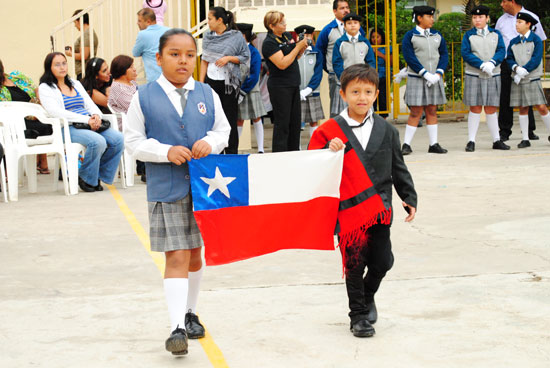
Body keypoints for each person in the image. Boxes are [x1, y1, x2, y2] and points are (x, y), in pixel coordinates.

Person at [125, 28, 230, 356]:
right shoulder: (143, 97)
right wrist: (164, 151)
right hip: (166, 187)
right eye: (174, 54)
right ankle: (176, 327)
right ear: (158, 58)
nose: (182, 61)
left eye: (188, 55)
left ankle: (190, 311)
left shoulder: (207, 94)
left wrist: (210, 142)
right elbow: (132, 142)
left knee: (195, 253)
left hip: (204, 187)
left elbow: (222, 131)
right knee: (176, 255)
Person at [309, 64, 417, 338]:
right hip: (348, 209)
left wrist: (408, 196)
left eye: (368, 92)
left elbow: (398, 166)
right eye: (355, 91)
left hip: (380, 207)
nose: (362, 97)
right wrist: (327, 150)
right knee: (354, 264)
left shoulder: (387, 130)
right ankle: (357, 316)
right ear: (343, 94)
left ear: (376, 94)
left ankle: (368, 296)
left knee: (382, 261)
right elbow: (311, 164)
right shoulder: (330, 130)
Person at [39, 52, 124, 192]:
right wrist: (87, 119)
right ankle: (87, 178)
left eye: (64, 63)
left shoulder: (75, 83)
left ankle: (95, 176)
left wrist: (96, 116)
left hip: (89, 123)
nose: (62, 67)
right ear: (49, 68)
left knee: (118, 139)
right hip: (68, 127)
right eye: (57, 64)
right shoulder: (46, 88)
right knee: (98, 142)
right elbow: (55, 112)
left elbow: (90, 104)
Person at [200, 7, 249, 154]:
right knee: (212, 120)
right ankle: (217, 151)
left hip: (228, 83)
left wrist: (228, 58)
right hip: (211, 82)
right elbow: (204, 60)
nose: (207, 22)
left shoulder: (236, 36)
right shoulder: (207, 37)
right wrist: (202, 83)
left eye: (210, 18)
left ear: (219, 20)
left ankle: (232, 152)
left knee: (229, 120)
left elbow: (245, 57)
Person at [401, 6, 449, 155]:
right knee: (415, 111)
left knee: (432, 109)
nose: (432, 19)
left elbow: (444, 54)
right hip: (417, 77)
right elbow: (410, 57)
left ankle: (433, 144)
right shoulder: (410, 36)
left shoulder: (437, 35)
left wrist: (438, 73)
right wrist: (425, 74)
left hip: (434, 78)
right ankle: (406, 145)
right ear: (420, 18)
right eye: (429, 16)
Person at [496, 0, 546, 142]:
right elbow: (500, 42)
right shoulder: (501, 21)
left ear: (512, 1)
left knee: (527, 97)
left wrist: (528, 66)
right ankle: (505, 130)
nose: (501, 4)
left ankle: (529, 131)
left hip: (528, 63)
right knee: (505, 97)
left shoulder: (532, 17)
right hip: (508, 62)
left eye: (504, 1)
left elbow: (539, 40)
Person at [461, 5, 510, 152]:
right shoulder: (468, 35)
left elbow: (502, 50)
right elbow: (466, 53)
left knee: (491, 107)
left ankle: (496, 140)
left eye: (480, 17)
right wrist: (482, 65)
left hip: (492, 74)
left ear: (487, 18)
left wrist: (492, 63)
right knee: (475, 107)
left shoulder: (496, 34)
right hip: (474, 74)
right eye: (475, 17)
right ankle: (471, 140)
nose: (477, 20)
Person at [262, 10, 308, 152]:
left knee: (295, 123)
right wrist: (297, 48)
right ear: (271, 26)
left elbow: (294, 57)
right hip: (280, 86)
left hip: (293, 83)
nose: (285, 24)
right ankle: (280, 154)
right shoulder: (269, 43)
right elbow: (282, 63)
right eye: (281, 23)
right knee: (283, 123)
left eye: (284, 21)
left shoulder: (287, 36)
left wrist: (301, 49)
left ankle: (293, 151)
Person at [0, 59, 52, 173]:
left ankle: (42, 160)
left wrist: (41, 107)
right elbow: (6, 112)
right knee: (40, 127)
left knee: (50, 124)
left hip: (37, 114)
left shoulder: (17, 76)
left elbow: (36, 90)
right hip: (17, 122)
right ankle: (40, 161)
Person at [506, 12, 550, 147]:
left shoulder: (536, 40)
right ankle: (525, 139)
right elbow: (509, 58)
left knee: (541, 107)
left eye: (520, 22)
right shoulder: (514, 42)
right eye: (516, 22)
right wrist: (515, 68)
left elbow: (536, 59)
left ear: (528, 24)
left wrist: (524, 70)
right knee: (522, 108)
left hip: (532, 78)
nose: (517, 24)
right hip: (518, 78)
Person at [317, 0, 365, 118]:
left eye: (347, 7)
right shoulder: (328, 30)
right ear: (335, 11)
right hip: (336, 76)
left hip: (357, 75)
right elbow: (320, 52)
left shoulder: (358, 29)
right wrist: (330, 69)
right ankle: (336, 135)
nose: (346, 10)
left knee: (356, 107)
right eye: (342, 8)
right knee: (337, 111)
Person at [108, 55, 145, 182]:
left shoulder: (132, 83)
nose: (135, 70)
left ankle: (145, 167)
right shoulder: (118, 87)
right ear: (123, 70)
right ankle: (146, 169)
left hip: (137, 120)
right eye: (131, 67)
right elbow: (134, 107)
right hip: (126, 124)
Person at [332, 13, 376, 115]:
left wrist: (368, 76)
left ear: (359, 26)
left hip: (362, 81)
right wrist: (345, 78)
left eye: (355, 23)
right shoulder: (340, 43)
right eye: (349, 23)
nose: (352, 25)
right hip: (345, 82)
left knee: (363, 112)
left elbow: (370, 62)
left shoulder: (365, 42)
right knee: (344, 114)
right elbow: (337, 63)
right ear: (344, 26)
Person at [236, 23, 266, 153]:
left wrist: (243, 91)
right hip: (238, 89)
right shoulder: (234, 51)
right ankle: (235, 148)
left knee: (256, 118)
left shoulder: (254, 52)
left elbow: (254, 75)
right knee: (239, 119)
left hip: (251, 90)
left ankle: (260, 149)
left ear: (244, 35)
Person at [294, 24, 325, 138]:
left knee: (313, 120)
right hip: (297, 92)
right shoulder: (294, 52)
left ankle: (314, 146)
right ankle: (297, 147)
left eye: (308, 35)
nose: (305, 38)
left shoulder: (317, 53)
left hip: (312, 91)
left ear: (312, 36)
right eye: (302, 35)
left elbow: (318, 73)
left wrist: (309, 89)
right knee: (296, 121)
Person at [133, 8, 170, 83]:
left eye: (140, 21)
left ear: (148, 22)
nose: (137, 23)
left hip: (154, 80)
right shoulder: (168, 31)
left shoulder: (143, 34)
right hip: (170, 78)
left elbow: (135, 53)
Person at [65, 9, 99, 79]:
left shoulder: (87, 34)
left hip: (84, 72)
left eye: (75, 22)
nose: (75, 25)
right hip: (84, 71)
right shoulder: (88, 33)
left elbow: (84, 56)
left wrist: (70, 53)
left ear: (80, 21)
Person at [370, 28, 391, 118]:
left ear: (382, 37)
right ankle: (372, 117)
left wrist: (379, 54)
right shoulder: (368, 47)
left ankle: (383, 118)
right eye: (373, 37)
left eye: (377, 37)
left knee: (383, 98)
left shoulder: (387, 47)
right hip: (371, 76)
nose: (375, 39)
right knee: (371, 98)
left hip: (384, 75)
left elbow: (391, 61)